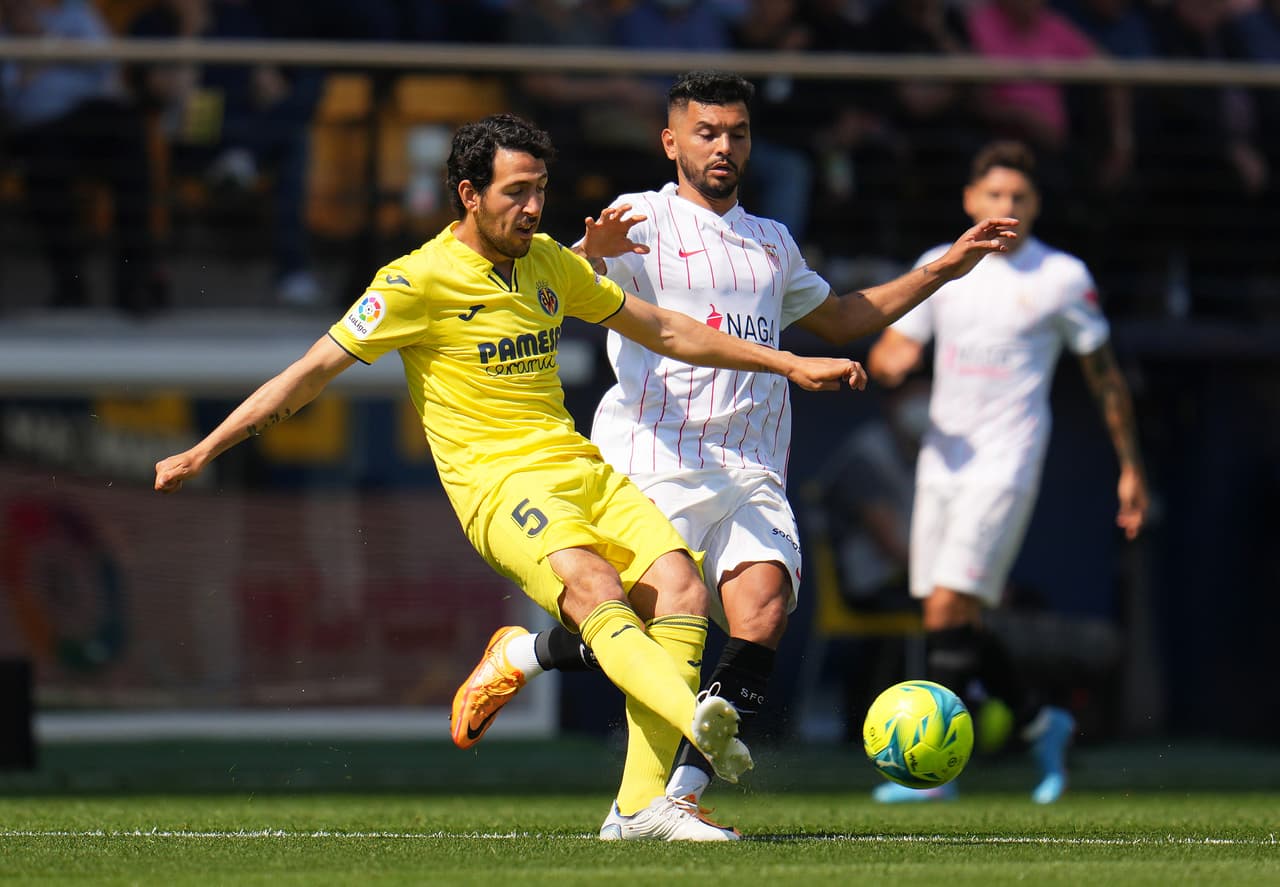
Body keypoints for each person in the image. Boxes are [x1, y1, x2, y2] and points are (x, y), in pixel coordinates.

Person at [153, 113, 866, 841]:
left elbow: (668, 329)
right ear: (469, 193)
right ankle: (694, 724)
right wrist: (203, 450)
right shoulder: (413, 282)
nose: (532, 208)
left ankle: (638, 809)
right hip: (500, 489)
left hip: (579, 465)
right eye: (516, 192)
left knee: (680, 587)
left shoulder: (551, 262)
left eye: (540, 190)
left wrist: (789, 361)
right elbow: (308, 374)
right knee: (596, 589)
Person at [448, 71, 1019, 840]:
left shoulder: (772, 241)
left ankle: (674, 796)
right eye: (707, 132)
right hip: (654, 455)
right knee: (643, 621)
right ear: (671, 140)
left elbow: (845, 320)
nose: (723, 146)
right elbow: (549, 284)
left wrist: (942, 270)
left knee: (763, 609)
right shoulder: (639, 219)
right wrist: (588, 248)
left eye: (737, 133)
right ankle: (529, 652)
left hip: (751, 463)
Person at [865, 139, 1149, 804]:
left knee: (946, 603)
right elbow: (889, 352)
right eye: (994, 195)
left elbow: (1105, 378)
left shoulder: (1061, 277)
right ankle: (1041, 720)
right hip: (943, 459)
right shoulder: (942, 267)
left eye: (1019, 197)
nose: (1006, 207)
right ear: (970, 201)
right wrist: (888, 363)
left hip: (1008, 461)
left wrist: (1131, 467)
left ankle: (935, 772)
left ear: (1036, 205)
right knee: (951, 612)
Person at [0, 0, 166, 314]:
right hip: (38, 129)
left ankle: (133, 287)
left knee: (132, 147)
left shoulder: (75, 11)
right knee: (46, 176)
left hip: (94, 115)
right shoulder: (5, 31)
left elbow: (105, 61)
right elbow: (8, 93)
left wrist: (44, 43)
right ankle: (70, 288)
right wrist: (32, 59)